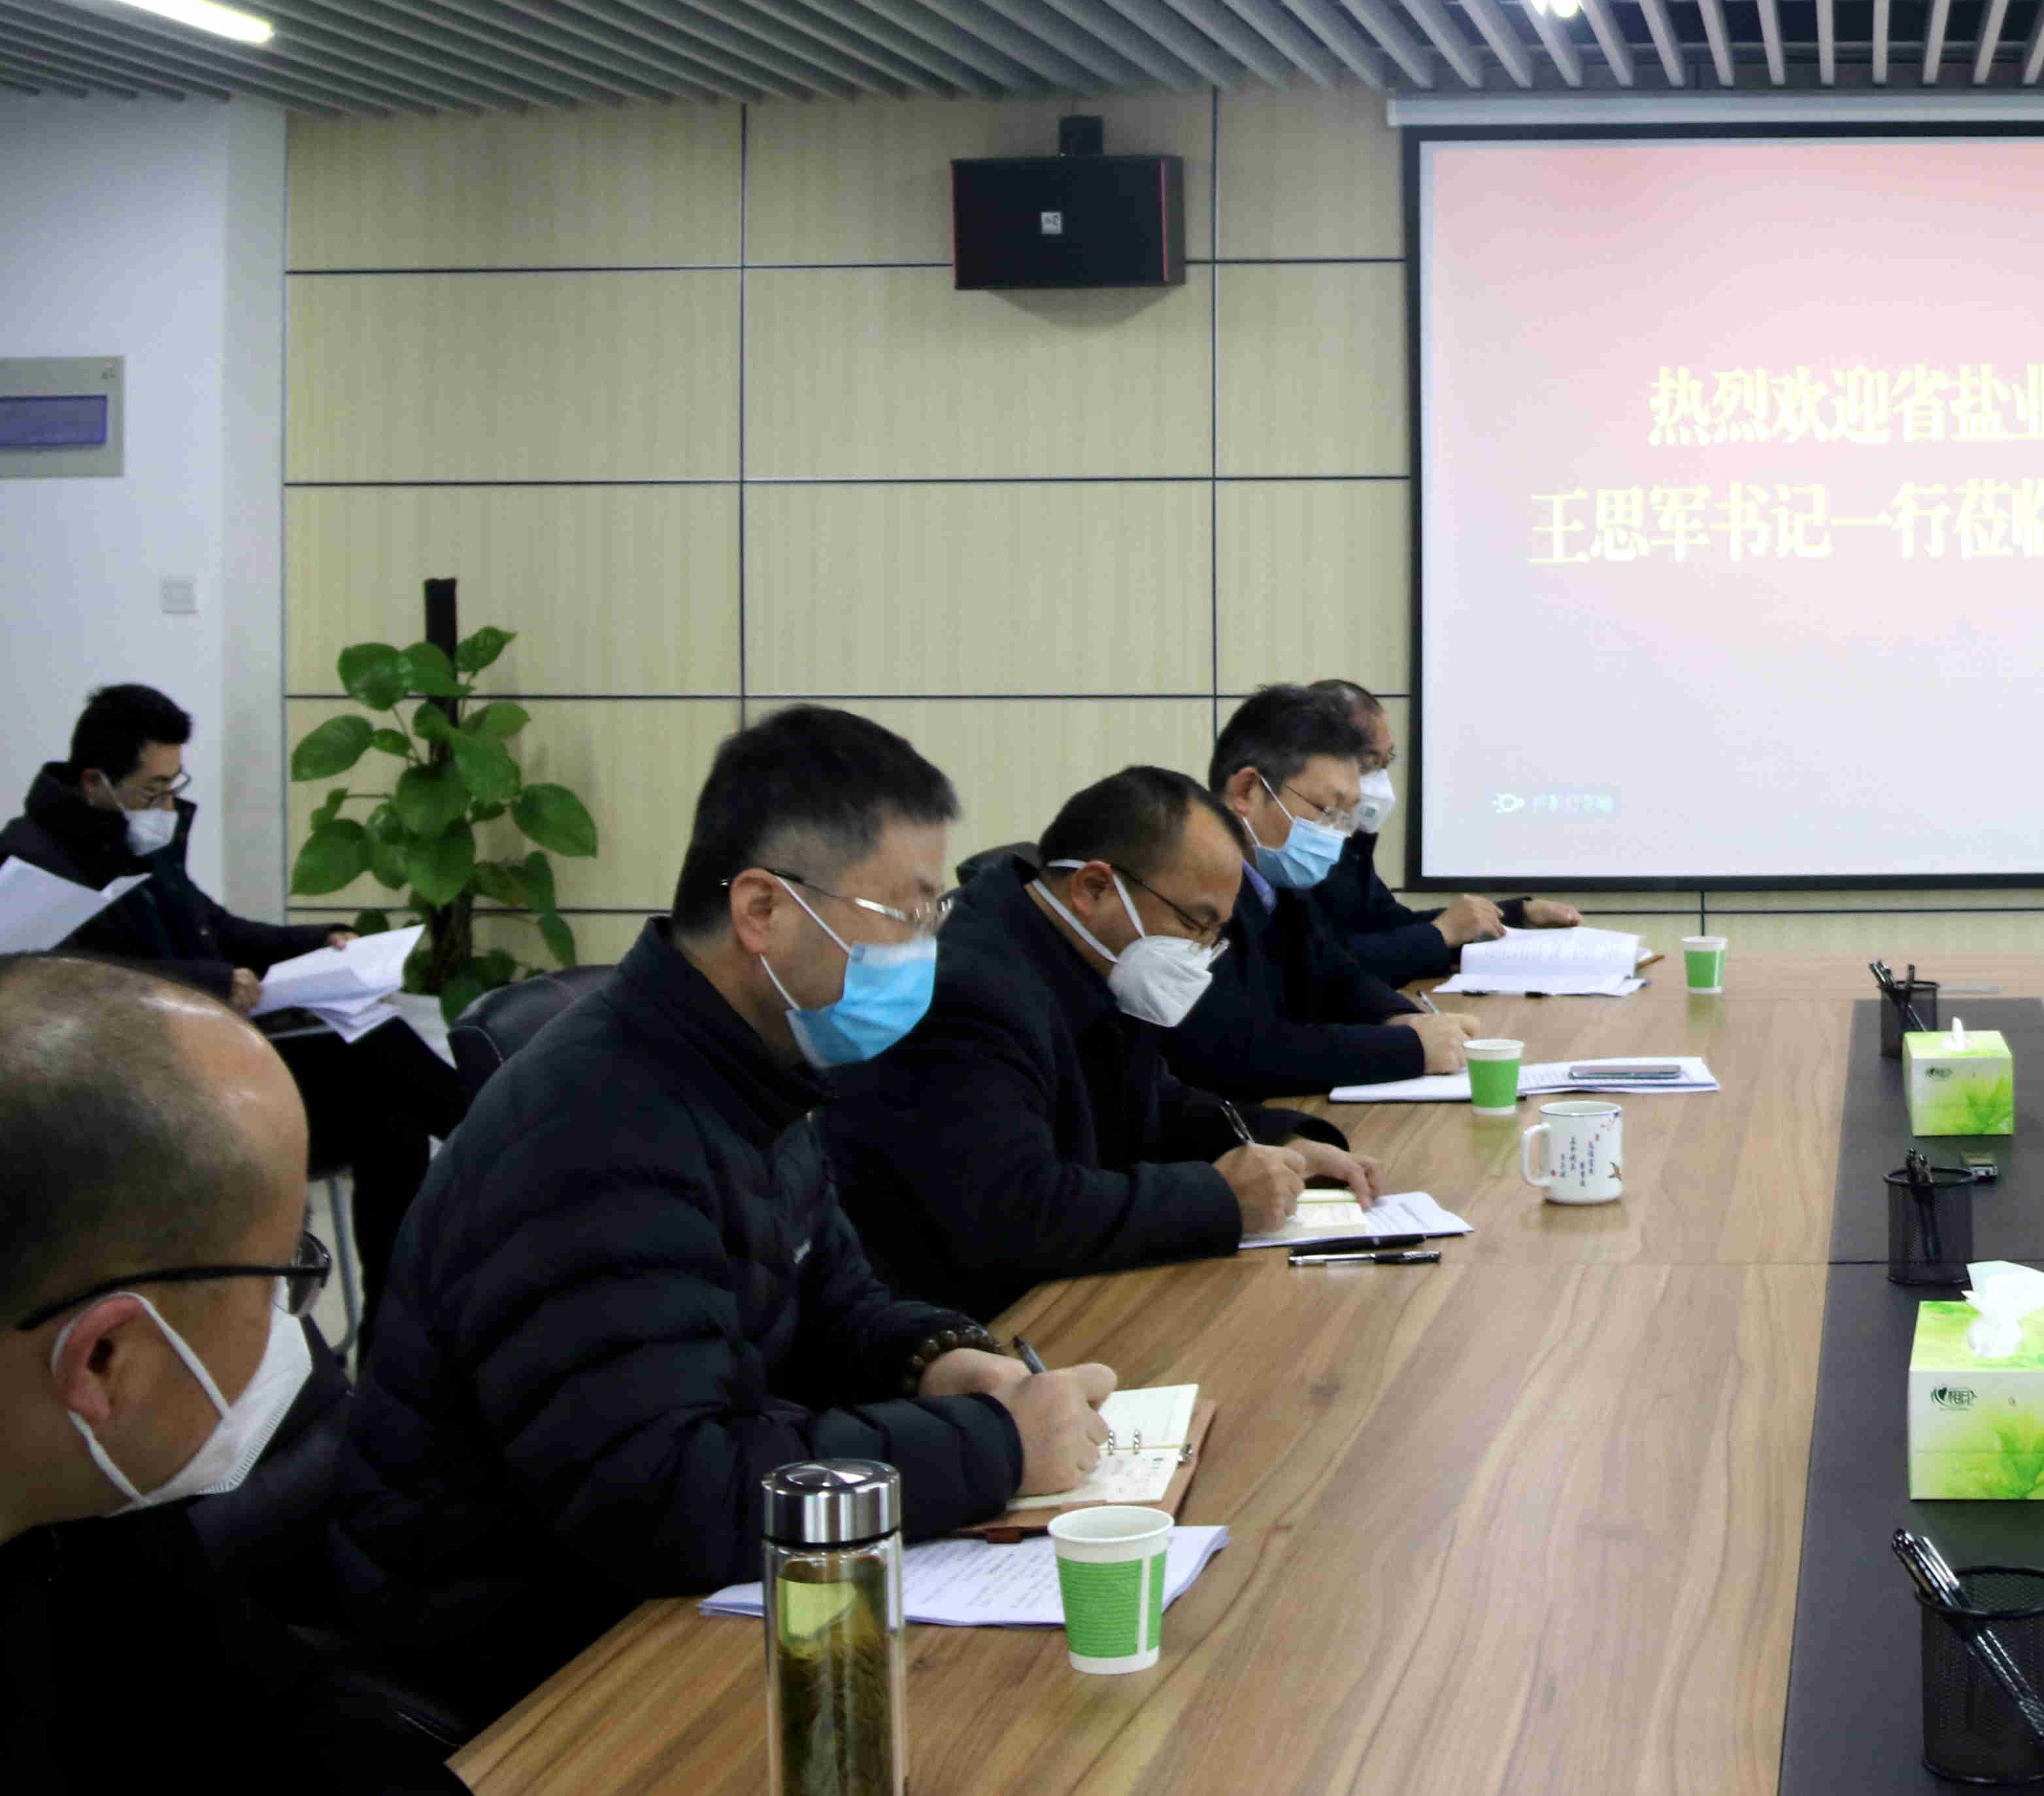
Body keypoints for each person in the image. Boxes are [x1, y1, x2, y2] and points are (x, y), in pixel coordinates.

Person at [331, 707, 1120, 1717]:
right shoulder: (598, 1131)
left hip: (648, 1589)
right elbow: (665, 1490)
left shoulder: (750, 1065)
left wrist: (939, 1360)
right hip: (531, 1650)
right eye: (906, 912)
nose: (928, 946)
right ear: (762, 908)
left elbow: (831, 1299)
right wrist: (994, 1445)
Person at [0, 953, 463, 1791]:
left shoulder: (92, 1512)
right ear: (105, 1357)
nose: (293, 1323)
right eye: (284, 1273)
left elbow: (280, 1708)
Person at [824, 766, 1377, 1320]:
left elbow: (1153, 1101)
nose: (1203, 951)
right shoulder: (967, 994)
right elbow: (1017, 1213)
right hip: (967, 1325)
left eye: (1216, 933)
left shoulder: (1084, 952)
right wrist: (1220, 1197)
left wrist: (1282, 1141)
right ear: (1093, 888)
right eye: (1195, 923)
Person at [4, 684, 467, 1321]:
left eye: (174, 785)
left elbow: (216, 927)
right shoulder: (32, 862)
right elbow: (73, 986)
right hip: (147, 1092)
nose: (167, 806)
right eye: (152, 790)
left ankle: (391, 1344)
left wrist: (320, 942)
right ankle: (502, 1140)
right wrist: (211, 982)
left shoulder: (138, 839)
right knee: (371, 1045)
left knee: (393, 1124)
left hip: (210, 1059)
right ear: (94, 783)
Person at [1167, 685, 1475, 1100]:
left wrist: (1404, 1019)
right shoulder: (1187, 889)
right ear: (1247, 791)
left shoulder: (1277, 879)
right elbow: (1237, 1051)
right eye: (1327, 811)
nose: (1335, 833)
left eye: (1345, 816)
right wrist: (1409, 1049)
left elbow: (1335, 973)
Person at [1299, 679, 1584, 989]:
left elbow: (1389, 925)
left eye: (1385, 764)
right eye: (1369, 765)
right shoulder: (1294, 850)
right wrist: (1440, 934)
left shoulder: (1345, 842)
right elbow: (1322, 965)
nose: (1379, 785)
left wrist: (1515, 916)